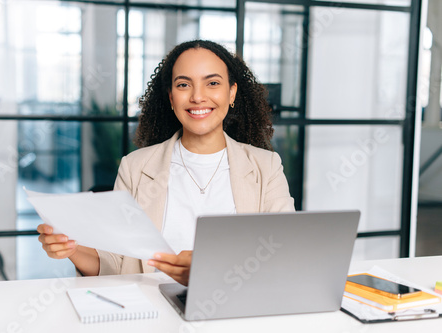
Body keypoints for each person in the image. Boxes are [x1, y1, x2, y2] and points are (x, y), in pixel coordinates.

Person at [37, 40, 294, 286]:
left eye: (212, 83)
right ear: (171, 98)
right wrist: (71, 248)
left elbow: (285, 253)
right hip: (153, 312)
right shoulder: (135, 167)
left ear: (231, 92)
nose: (197, 97)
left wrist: (212, 270)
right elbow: (117, 263)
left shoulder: (266, 167)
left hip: (235, 311)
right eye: (184, 85)